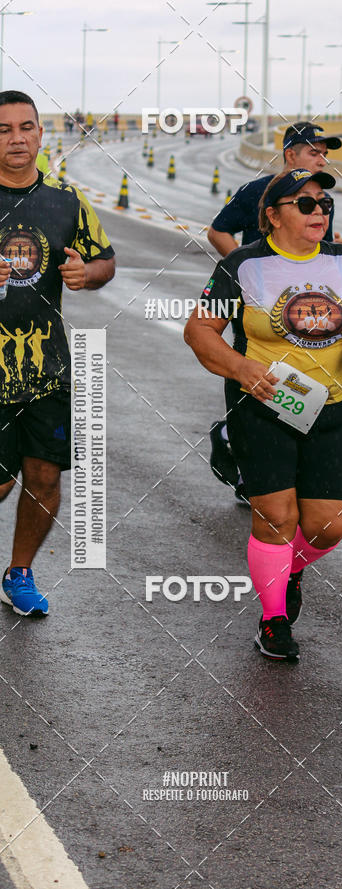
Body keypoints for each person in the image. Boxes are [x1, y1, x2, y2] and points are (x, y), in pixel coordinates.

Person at [184, 168, 342, 660]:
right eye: (305, 203)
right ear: (272, 216)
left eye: (324, 204)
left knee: (329, 525)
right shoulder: (244, 264)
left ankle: (288, 570)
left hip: (327, 408)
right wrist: (240, 367)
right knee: (276, 516)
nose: (320, 212)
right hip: (263, 405)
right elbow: (199, 332)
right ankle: (273, 621)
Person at [0, 90, 115, 616]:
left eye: (26, 127)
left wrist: (87, 273)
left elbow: (106, 260)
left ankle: (19, 573)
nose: (17, 139)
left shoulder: (67, 201)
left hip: (48, 368)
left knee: (44, 476)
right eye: (4, 129)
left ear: (41, 134)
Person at [207, 121, 342, 501]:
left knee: (299, 379)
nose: (322, 160)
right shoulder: (257, 191)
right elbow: (218, 231)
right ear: (290, 155)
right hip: (258, 307)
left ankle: (275, 465)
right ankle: (245, 458)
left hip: (302, 304)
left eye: (324, 154)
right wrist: (250, 276)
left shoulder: (322, 198)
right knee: (257, 373)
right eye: (314, 152)